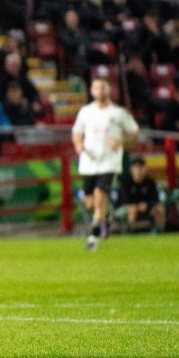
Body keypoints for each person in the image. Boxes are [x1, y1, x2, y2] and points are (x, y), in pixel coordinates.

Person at [72, 78, 140, 250]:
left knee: (100, 197)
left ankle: (92, 239)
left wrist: (121, 141)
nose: (99, 90)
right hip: (89, 161)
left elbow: (134, 132)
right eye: (96, 87)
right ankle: (107, 216)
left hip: (109, 162)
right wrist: (78, 144)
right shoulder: (85, 112)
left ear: (109, 89)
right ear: (92, 90)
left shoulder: (118, 113)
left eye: (103, 87)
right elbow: (77, 132)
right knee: (90, 202)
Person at [120, 157, 164, 233]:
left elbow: (156, 199)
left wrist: (147, 205)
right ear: (131, 169)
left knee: (160, 208)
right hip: (127, 208)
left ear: (145, 169)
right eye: (136, 167)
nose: (138, 170)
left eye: (141, 167)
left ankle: (159, 232)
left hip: (146, 207)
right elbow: (124, 200)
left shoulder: (150, 182)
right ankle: (130, 232)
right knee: (132, 209)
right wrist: (137, 206)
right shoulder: (126, 183)